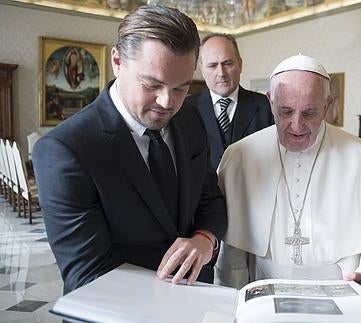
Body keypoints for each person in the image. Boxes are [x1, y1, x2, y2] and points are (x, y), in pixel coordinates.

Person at [32, 5, 227, 294]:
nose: (167, 102)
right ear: (117, 61)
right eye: (152, 84)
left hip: (196, 296)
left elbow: (210, 198)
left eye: (180, 88)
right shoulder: (66, 150)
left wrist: (204, 238)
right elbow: (89, 279)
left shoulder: (189, 119)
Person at [215, 54, 361, 300]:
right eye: (286, 111)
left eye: (309, 113)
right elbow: (233, 251)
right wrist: (232, 303)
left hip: (342, 298)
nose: (297, 125)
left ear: (327, 105)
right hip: (263, 299)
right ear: (270, 101)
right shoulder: (240, 157)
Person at [185, 33, 274, 170]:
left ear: (240, 64)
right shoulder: (186, 109)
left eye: (227, 63)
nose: (221, 73)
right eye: (212, 66)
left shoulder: (264, 105)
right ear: (202, 70)